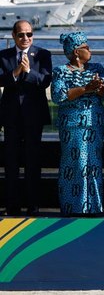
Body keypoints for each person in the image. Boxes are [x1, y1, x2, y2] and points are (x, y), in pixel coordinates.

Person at [50, 31, 104, 216]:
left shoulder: (97, 68)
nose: (89, 50)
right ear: (76, 52)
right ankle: (73, 207)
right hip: (73, 125)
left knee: (93, 164)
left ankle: (93, 207)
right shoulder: (61, 71)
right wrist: (86, 89)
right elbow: (58, 95)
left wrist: (100, 88)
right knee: (75, 164)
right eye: (86, 47)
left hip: (93, 123)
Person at [0, 20, 53, 216]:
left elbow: (45, 81)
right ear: (14, 36)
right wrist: (15, 73)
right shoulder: (4, 56)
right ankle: (12, 205)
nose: (25, 38)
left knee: (33, 161)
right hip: (11, 116)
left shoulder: (42, 55)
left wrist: (29, 72)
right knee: (11, 162)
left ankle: (33, 205)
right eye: (21, 35)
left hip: (33, 116)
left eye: (29, 34)